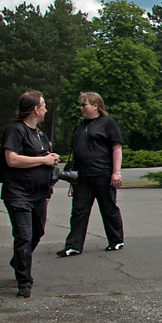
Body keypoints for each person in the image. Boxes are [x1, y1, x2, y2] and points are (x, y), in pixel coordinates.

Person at [0, 91, 61, 298]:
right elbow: (12, 159)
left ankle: (18, 260)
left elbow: (40, 156)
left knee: (38, 232)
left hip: (39, 193)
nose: (45, 109)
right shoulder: (15, 130)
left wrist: (50, 158)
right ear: (36, 109)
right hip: (18, 193)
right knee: (24, 236)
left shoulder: (40, 134)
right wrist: (42, 161)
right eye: (43, 105)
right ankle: (24, 282)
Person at [57, 92, 126, 256]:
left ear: (95, 106)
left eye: (84, 104)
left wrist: (116, 172)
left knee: (108, 208)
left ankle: (116, 240)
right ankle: (73, 245)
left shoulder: (107, 123)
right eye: (81, 105)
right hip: (82, 176)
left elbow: (117, 148)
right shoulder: (80, 124)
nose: (81, 108)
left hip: (103, 173)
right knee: (78, 210)